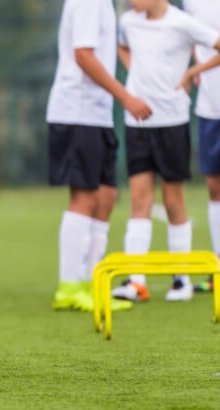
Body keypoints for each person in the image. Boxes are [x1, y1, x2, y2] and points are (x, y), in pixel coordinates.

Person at [46, 0, 152, 312]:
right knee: (84, 198)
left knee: (105, 197)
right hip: (76, 112)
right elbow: (83, 56)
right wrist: (126, 97)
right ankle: (69, 286)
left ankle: (93, 283)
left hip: (98, 116)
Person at [112, 0, 220, 303]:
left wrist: (193, 71)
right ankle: (136, 282)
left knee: (174, 199)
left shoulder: (182, 22)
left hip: (173, 122)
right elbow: (123, 47)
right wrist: (136, 74)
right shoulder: (129, 23)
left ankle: (181, 280)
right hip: (138, 123)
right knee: (139, 199)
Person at [183, 0, 220, 293]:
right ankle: (217, 270)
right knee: (214, 187)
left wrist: (195, 68)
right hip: (209, 107)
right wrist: (196, 65)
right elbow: (194, 37)